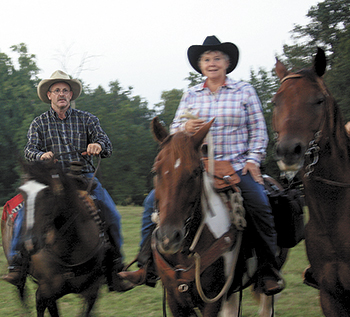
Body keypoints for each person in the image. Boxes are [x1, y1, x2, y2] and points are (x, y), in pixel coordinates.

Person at [119, 35, 285, 296]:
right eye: (206, 59)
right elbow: (173, 133)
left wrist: (254, 160)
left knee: (259, 203)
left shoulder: (245, 91)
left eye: (217, 58)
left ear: (227, 63)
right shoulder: (191, 94)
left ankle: (267, 269)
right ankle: (146, 265)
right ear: (200, 65)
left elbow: (259, 130)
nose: (212, 63)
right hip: (197, 168)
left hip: (235, 166)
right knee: (153, 202)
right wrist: (184, 127)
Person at [2, 70, 133, 292]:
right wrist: (41, 156)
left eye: (65, 90)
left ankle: (115, 267)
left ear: (71, 95)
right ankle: (17, 263)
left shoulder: (88, 119)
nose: (61, 94)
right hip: (50, 181)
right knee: (24, 212)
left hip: (83, 179)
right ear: (50, 96)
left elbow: (106, 144)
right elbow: (29, 150)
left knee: (112, 213)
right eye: (57, 91)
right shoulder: (39, 123)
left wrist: (98, 146)